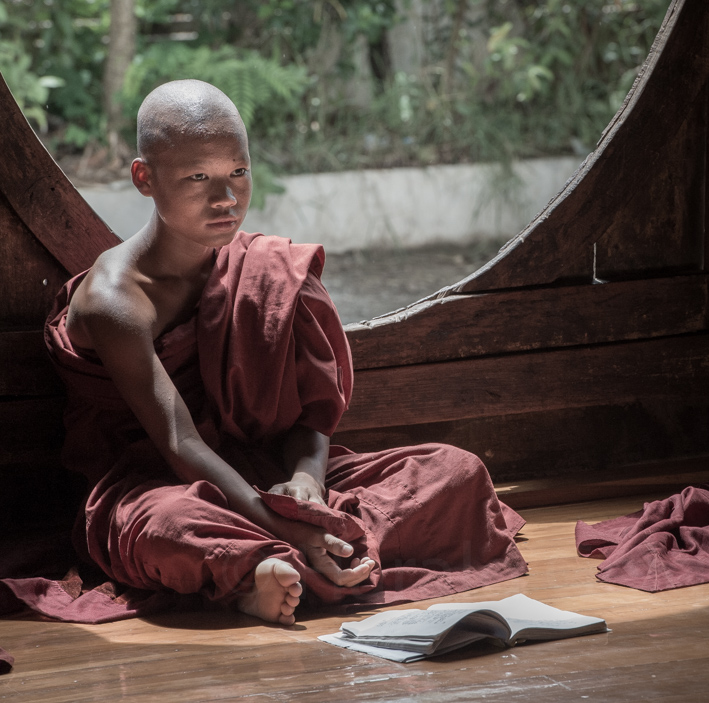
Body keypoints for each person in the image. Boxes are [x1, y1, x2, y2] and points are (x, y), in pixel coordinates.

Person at [42, 79, 527, 625]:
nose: (225, 198)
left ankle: (276, 566)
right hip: (160, 482)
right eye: (198, 177)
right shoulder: (116, 299)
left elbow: (311, 413)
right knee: (171, 527)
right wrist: (284, 522)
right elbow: (180, 442)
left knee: (455, 471)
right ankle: (285, 562)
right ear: (144, 178)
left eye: (238, 173)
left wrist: (306, 485)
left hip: (268, 476)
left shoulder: (265, 270)